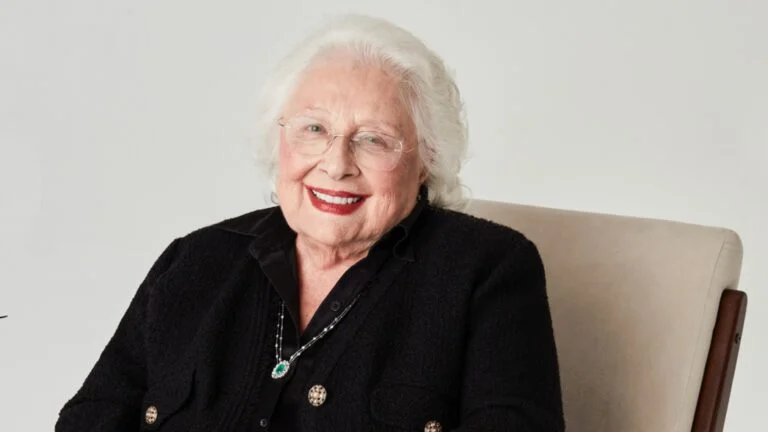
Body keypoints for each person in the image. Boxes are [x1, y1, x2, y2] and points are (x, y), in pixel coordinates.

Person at [56, 14, 564, 432]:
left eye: (374, 139)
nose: (336, 164)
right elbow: (90, 418)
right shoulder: (193, 260)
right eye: (314, 128)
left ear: (427, 158)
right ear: (278, 139)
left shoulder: (487, 270)